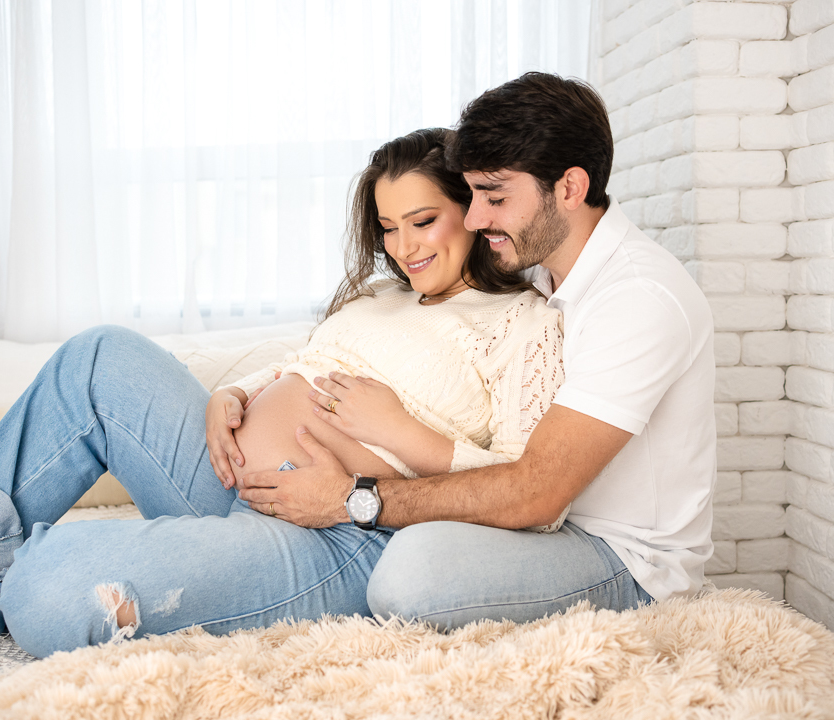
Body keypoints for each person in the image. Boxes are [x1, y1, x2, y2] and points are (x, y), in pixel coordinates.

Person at [0, 128, 565, 658]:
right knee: (98, 356)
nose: (405, 248)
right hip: (227, 476)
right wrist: (236, 395)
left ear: (471, 211)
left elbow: (524, 493)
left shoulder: (522, 325)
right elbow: (305, 364)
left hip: (336, 534)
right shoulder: (382, 296)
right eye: (388, 229)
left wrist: (401, 434)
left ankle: (17, 583)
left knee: (54, 589)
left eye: (423, 221)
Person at [237, 72, 717, 628]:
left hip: (621, 557)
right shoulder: (544, 270)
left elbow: (536, 493)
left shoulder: (637, 298)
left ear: (569, 188)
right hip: (537, 526)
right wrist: (243, 392)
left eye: (495, 197)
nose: (474, 218)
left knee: (411, 575)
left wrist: (353, 500)